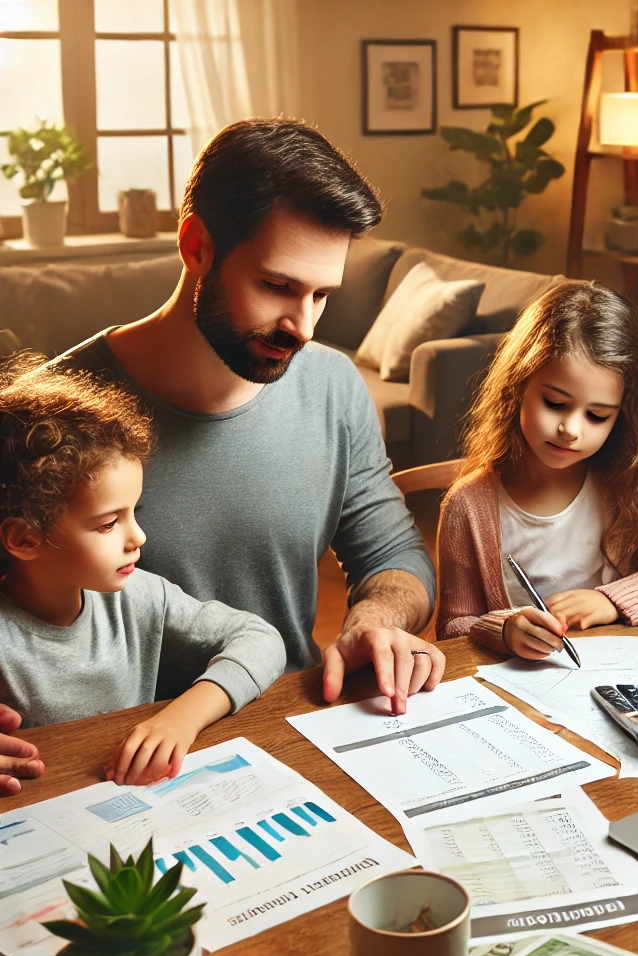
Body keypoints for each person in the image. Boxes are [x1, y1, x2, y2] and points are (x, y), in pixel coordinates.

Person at [55, 116, 442, 717]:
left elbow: (395, 554)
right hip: (116, 754)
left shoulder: (333, 386)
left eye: (321, 295)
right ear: (196, 246)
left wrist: (376, 617)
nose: (304, 328)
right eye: (276, 285)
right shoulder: (47, 412)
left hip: (292, 724)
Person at [0, 354, 286, 793]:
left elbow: (261, 639)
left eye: (135, 512)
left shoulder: (139, 596)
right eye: (108, 523)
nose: (139, 537)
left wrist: (183, 717)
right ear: (24, 539)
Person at [437, 280, 638, 657]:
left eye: (597, 415)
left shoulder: (624, 484)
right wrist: (504, 628)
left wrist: (613, 601)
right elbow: (452, 626)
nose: (571, 431)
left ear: (620, 417)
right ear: (517, 386)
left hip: (613, 671)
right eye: (556, 404)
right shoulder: (468, 505)